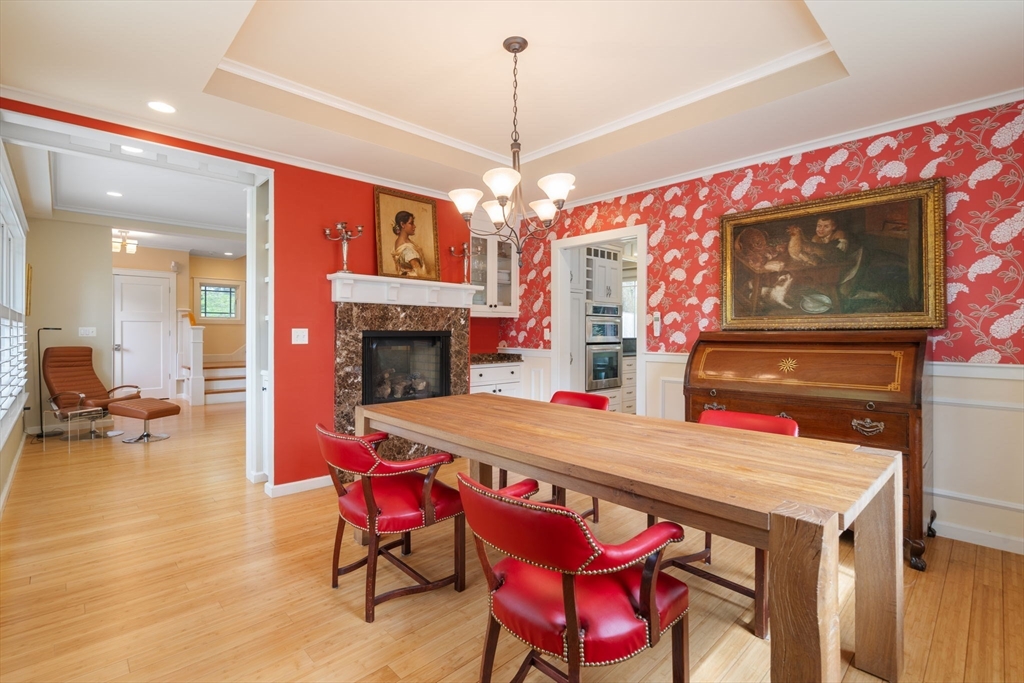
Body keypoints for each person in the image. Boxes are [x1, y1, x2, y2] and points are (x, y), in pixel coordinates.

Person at [391, 211, 427, 278]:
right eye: (411, 223)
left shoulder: (402, 242)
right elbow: (419, 273)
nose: (414, 226)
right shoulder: (407, 249)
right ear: (402, 224)